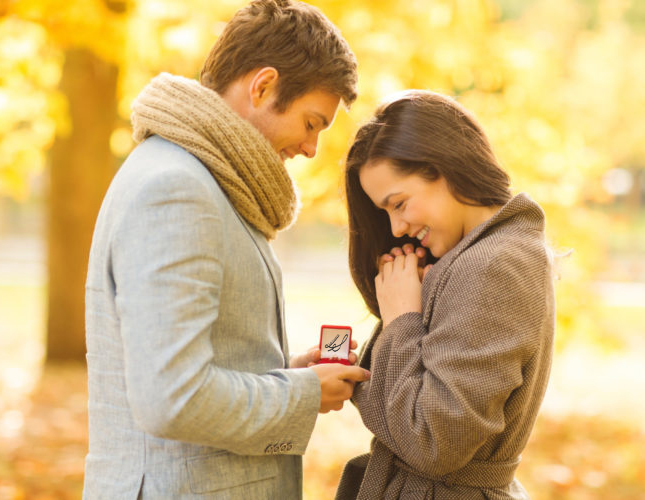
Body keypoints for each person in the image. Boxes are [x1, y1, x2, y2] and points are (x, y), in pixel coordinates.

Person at [83, 1, 370, 498]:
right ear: (262, 87)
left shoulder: (208, 181)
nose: (310, 149)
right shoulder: (177, 188)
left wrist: (284, 376)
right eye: (311, 122)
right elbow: (172, 397)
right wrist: (300, 394)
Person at [335, 90, 555, 499]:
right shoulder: (475, 257)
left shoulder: (494, 265)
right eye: (385, 212)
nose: (396, 227)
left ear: (444, 167)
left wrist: (403, 319)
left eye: (399, 203)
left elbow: (433, 443)